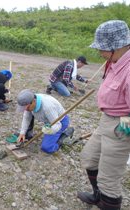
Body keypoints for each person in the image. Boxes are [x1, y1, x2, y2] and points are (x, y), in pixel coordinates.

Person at [77, 20, 130, 210]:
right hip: (106, 120)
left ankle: (107, 202)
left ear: (116, 46)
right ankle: (97, 196)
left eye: (102, 48)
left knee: (109, 180)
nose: (99, 52)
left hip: (121, 125)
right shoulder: (115, 61)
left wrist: (123, 131)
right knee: (89, 158)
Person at [16, 89, 70, 153]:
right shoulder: (30, 101)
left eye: (27, 107)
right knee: (29, 114)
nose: (26, 109)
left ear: (33, 101)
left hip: (60, 122)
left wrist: (50, 130)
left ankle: (64, 136)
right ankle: (28, 134)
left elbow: (58, 125)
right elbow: (26, 118)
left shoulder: (48, 107)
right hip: (48, 120)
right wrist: (22, 133)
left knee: (47, 148)